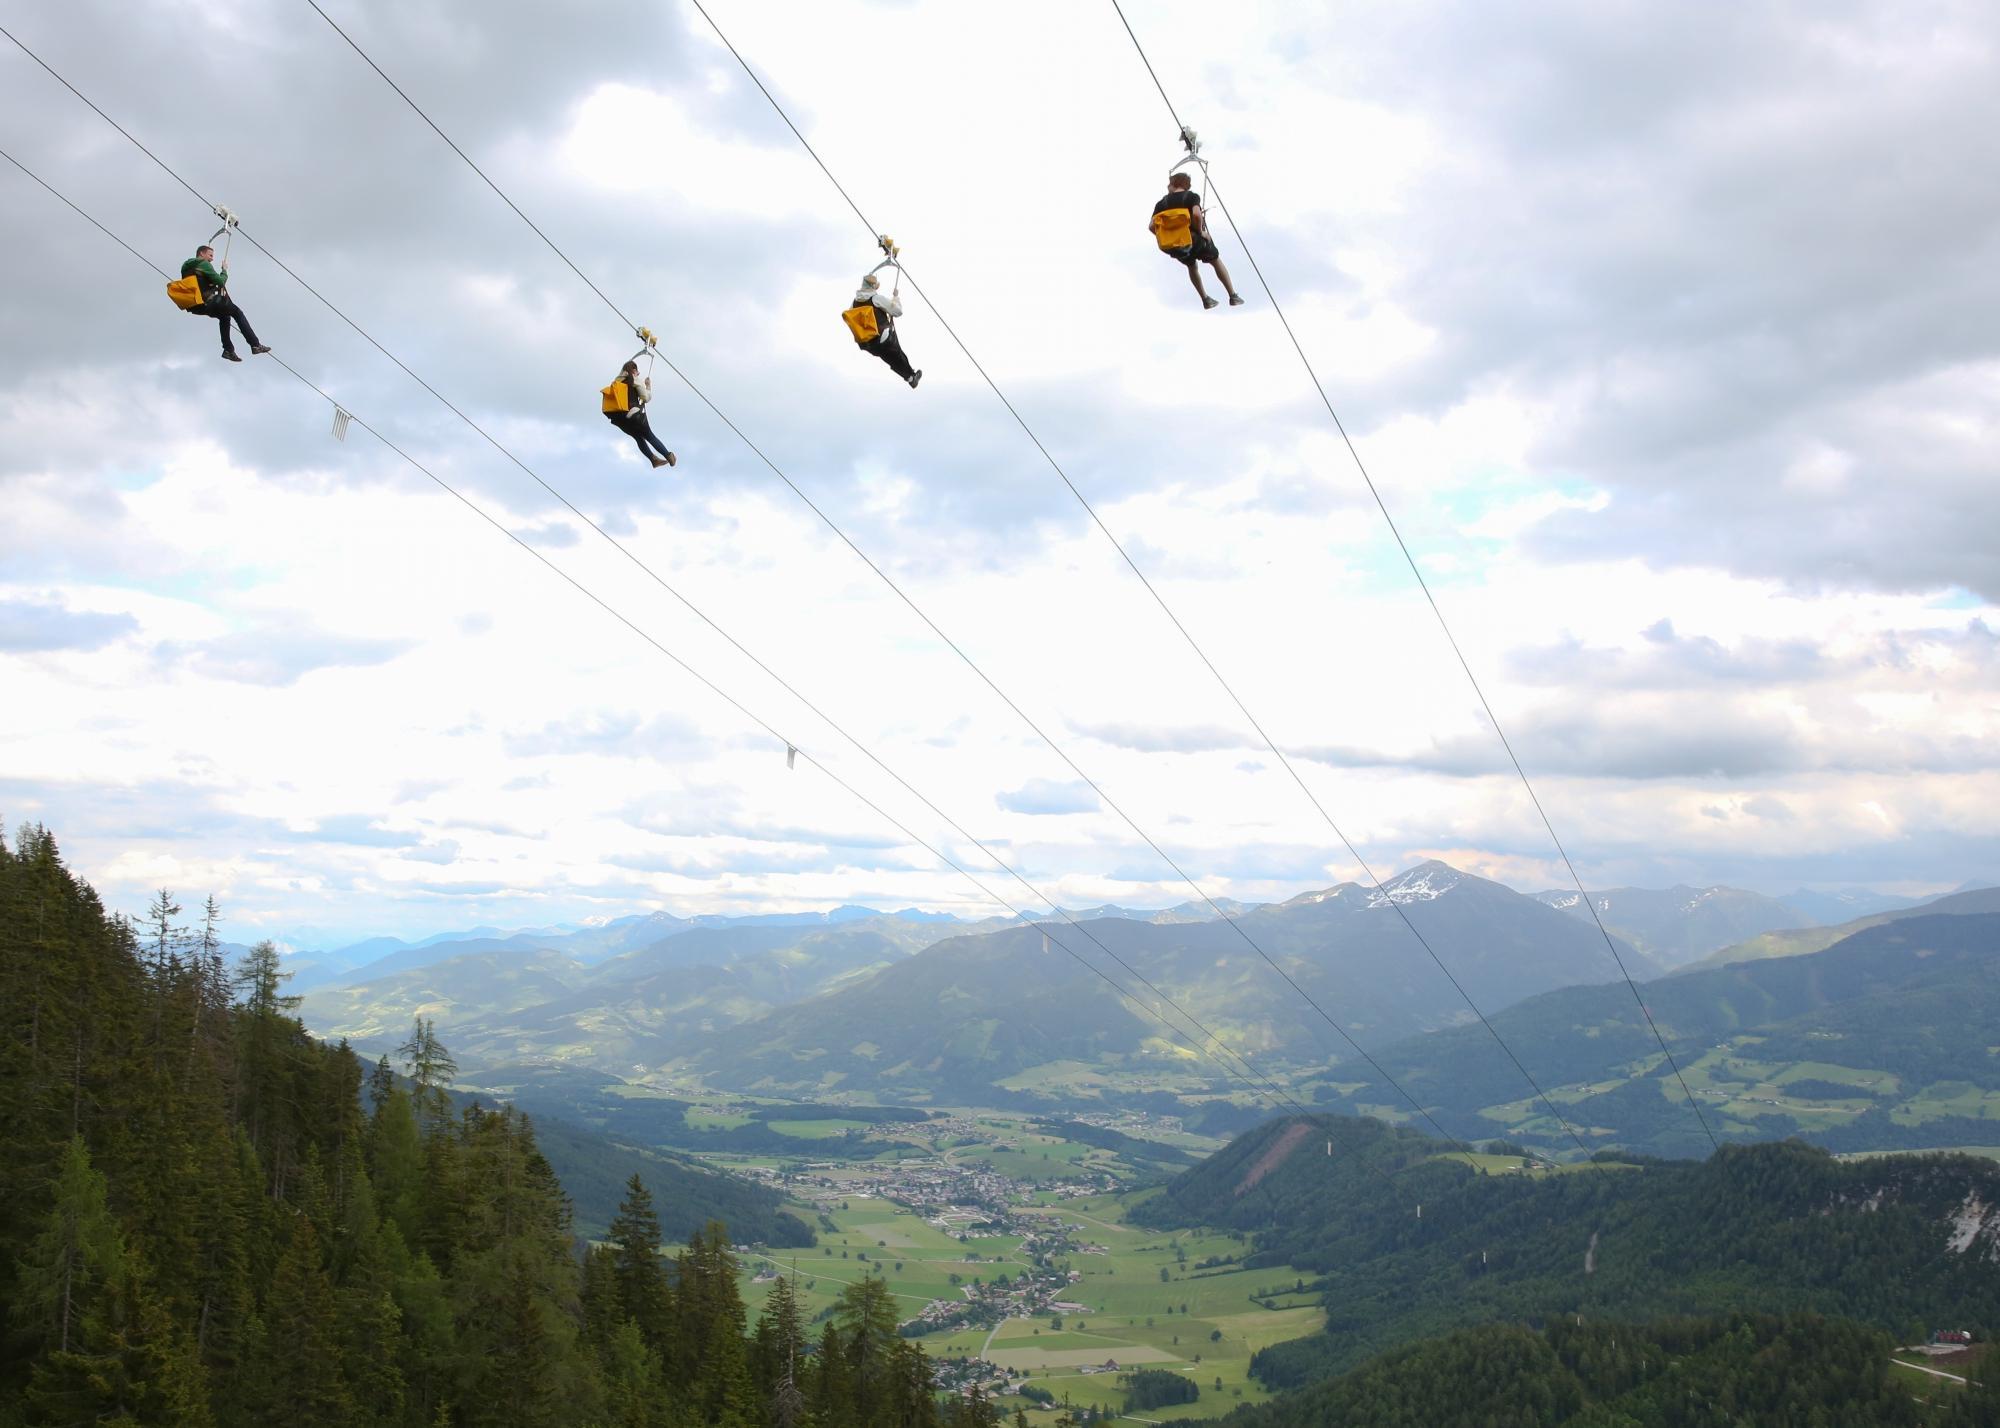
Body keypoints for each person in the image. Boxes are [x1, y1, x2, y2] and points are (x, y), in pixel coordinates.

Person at [1150, 173, 1242, 310]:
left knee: (1191, 266)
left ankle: (1205, 299)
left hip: (1173, 246)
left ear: (1175, 183)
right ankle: (1233, 295)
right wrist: (1201, 232)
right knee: (1215, 260)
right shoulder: (1191, 197)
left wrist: (1168, 236)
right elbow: (1197, 215)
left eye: (1169, 183)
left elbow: (1152, 227)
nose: (1167, 186)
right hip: (1193, 240)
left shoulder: (1161, 204)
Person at [181, 245, 270, 361]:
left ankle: (228, 350)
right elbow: (220, 282)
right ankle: (255, 345)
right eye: (210, 255)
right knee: (237, 313)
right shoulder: (203, 264)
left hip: (198, 305)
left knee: (225, 317)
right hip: (211, 301)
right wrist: (224, 270)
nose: (212, 259)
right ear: (201, 254)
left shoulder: (185, 267)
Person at [851, 272, 921, 388]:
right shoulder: (876, 299)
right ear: (873, 287)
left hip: (868, 344)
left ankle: (910, 377)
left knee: (890, 358)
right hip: (883, 338)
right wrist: (896, 297)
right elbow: (897, 311)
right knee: (897, 355)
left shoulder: (854, 303)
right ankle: (911, 377)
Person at [604, 360, 676, 468]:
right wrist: (648, 386)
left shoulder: (616, 381)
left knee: (638, 437)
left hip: (620, 419)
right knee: (649, 436)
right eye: (637, 371)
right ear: (633, 370)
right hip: (634, 415)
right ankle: (669, 456)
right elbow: (646, 398)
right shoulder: (634, 380)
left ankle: (653, 460)